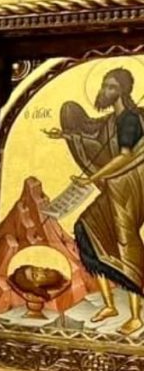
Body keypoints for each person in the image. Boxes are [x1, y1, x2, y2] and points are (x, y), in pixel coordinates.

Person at [46, 67, 144, 335]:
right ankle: (109, 304)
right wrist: (64, 134)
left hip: (129, 189)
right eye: (104, 84)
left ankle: (136, 316)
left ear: (122, 91)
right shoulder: (113, 120)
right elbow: (94, 137)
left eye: (111, 86)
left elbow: (124, 157)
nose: (104, 91)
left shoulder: (130, 121)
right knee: (86, 230)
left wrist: (92, 179)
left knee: (126, 242)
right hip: (114, 187)